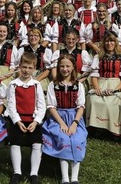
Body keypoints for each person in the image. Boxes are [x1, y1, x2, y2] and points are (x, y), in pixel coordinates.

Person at [42, 54, 87, 184]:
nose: (65, 69)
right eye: (62, 66)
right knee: (64, 139)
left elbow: (81, 106)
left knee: (76, 140)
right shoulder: (53, 85)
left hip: (74, 118)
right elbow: (51, 107)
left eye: (68, 66)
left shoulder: (78, 85)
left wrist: (75, 123)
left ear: (73, 67)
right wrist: (62, 123)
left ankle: (74, 178)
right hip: (58, 118)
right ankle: (65, 178)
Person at [7, 51, 46, 184]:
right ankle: (17, 172)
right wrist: (17, 121)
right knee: (15, 141)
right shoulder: (13, 84)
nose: (26, 70)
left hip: (33, 120)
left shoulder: (36, 85)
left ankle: (34, 173)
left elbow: (42, 106)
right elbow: (11, 106)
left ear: (34, 69)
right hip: (18, 119)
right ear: (19, 66)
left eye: (30, 68)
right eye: (24, 67)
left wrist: (36, 122)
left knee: (37, 142)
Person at [87, 31, 121, 137]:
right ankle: (95, 127)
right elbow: (94, 75)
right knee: (93, 99)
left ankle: (113, 129)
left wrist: (114, 90)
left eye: (111, 41)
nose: (109, 43)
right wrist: (96, 88)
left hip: (116, 84)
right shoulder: (98, 57)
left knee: (111, 103)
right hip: (101, 82)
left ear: (115, 43)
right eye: (106, 41)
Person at [19, 27, 53, 92]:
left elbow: (48, 70)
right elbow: (18, 67)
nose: (33, 37)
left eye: (36, 36)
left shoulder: (46, 51)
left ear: (40, 37)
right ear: (28, 37)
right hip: (24, 74)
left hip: (40, 76)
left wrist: (36, 80)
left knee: (39, 87)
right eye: (31, 35)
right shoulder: (22, 50)